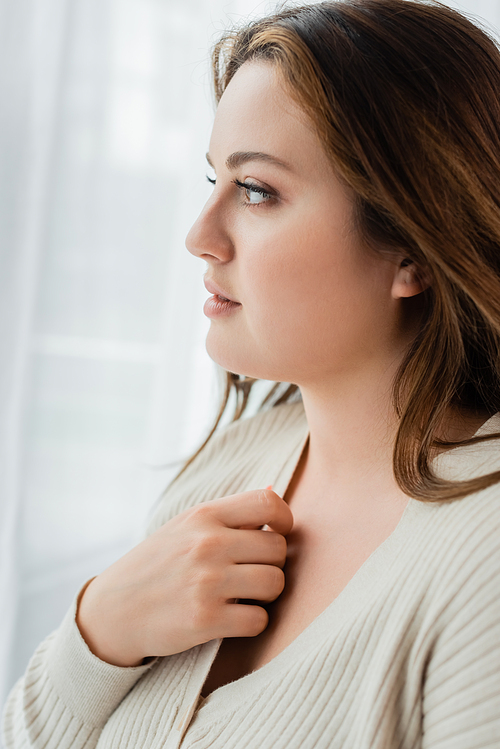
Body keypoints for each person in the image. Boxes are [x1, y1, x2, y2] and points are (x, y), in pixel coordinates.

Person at [3, 0, 500, 746]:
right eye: (213, 180)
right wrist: (97, 629)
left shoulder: (482, 560)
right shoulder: (229, 467)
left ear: (413, 251)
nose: (200, 235)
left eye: (258, 190)